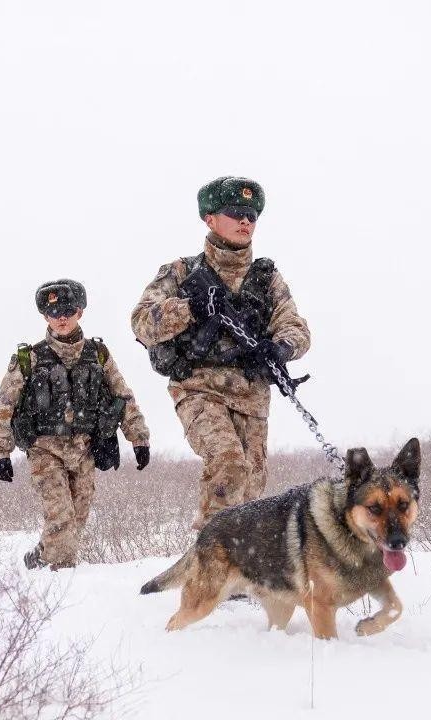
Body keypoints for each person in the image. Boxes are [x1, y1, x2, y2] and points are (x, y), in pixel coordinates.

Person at [131, 177, 311, 529]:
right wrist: (190, 309)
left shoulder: (266, 278)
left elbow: (296, 326)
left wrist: (279, 347)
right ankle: (212, 564)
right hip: (199, 388)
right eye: (235, 213)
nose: (246, 221)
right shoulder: (182, 272)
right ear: (210, 218)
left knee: (250, 494)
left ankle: (238, 573)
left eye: (252, 215)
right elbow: (141, 323)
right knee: (229, 464)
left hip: (251, 395)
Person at [0, 279, 150, 570]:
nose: (61, 317)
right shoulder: (30, 358)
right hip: (44, 450)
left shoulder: (98, 355)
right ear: (44, 316)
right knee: (61, 519)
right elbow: (5, 405)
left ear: (80, 312)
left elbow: (122, 395)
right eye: (54, 312)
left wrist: (138, 438)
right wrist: (0, 453)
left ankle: (39, 556)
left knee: (77, 519)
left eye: (68, 310)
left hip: (85, 449)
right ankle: (62, 580)